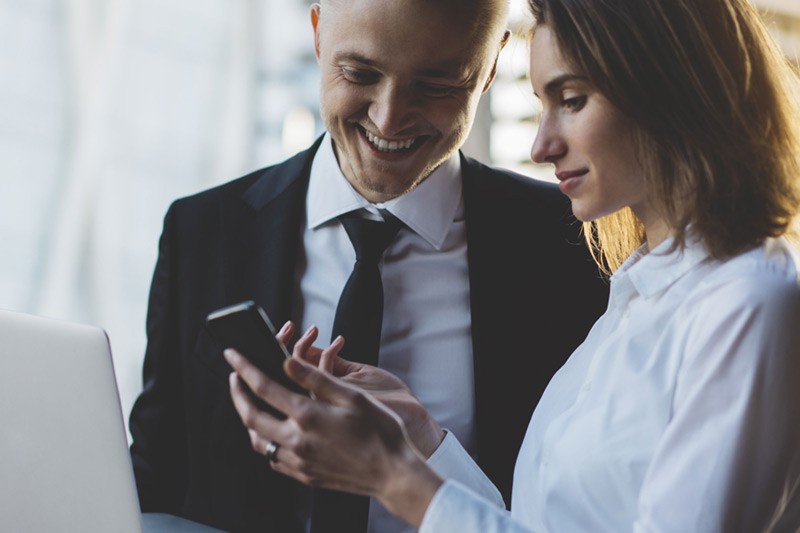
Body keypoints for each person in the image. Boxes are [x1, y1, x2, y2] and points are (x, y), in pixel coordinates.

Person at [225, 0, 800, 531]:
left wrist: (391, 478)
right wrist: (419, 440)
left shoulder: (748, 300)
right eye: (542, 105)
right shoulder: (638, 296)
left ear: (671, 87)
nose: (541, 146)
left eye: (571, 101)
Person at [128, 0, 608, 531]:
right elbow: (156, 480)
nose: (388, 118)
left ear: (493, 64)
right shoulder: (200, 231)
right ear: (317, 35)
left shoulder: (576, 246)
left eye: (438, 85)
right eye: (359, 73)